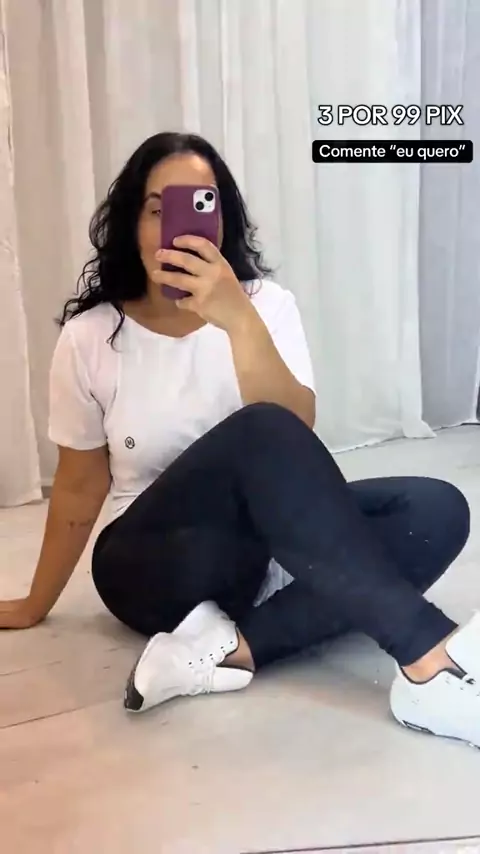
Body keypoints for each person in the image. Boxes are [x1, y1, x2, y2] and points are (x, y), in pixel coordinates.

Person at [0, 131, 477, 749]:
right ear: (132, 223)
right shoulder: (92, 337)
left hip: (260, 555)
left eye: (202, 204)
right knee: (259, 429)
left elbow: (298, 430)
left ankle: (227, 651)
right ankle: (428, 658)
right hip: (153, 565)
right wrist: (36, 602)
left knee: (435, 508)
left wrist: (237, 320)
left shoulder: (265, 306)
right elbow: (78, 481)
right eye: (157, 209)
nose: (178, 226)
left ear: (222, 217)